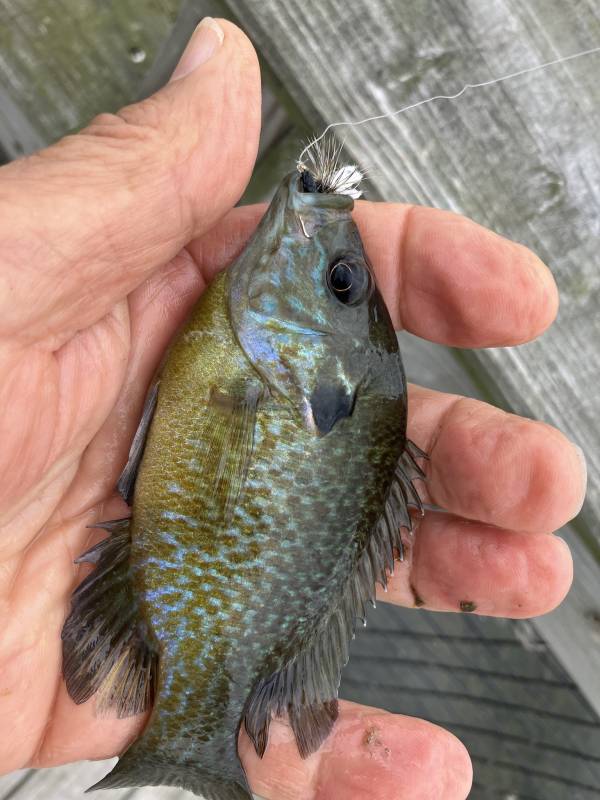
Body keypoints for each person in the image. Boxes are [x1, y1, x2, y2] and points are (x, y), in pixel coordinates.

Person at [0, 17, 586, 800]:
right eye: (347, 283)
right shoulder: (259, 353)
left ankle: (194, 746)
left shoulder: (251, 356)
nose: (331, 252)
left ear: (328, 364)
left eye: (339, 286)